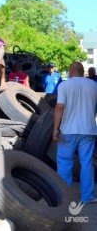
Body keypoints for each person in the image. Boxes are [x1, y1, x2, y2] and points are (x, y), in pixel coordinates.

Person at [53, 62, 97, 204]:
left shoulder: (64, 85)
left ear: (71, 72)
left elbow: (60, 107)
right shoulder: (94, 85)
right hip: (88, 130)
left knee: (65, 162)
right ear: (82, 71)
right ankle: (87, 197)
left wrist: (55, 129)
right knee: (87, 163)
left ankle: (64, 196)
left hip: (68, 130)